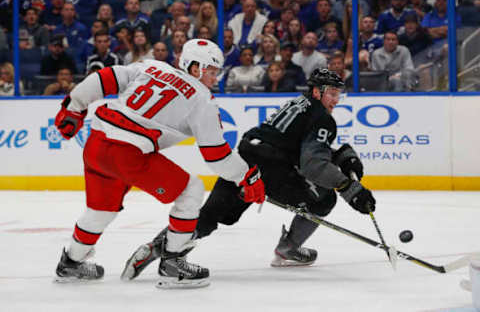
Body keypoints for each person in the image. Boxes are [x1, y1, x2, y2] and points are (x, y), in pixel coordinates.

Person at [52, 39, 265, 288]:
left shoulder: (152, 67)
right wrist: (246, 176)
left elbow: (105, 77)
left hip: (96, 145)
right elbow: (217, 156)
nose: (215, 78)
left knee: (101, 210)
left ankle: (71, 263)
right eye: (211, 70)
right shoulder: (202, 99)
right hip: (129, 154)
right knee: (191, 191)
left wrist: (74, 106)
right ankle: (173, 263)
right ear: (195, 68)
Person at [122, 68, 376, 275]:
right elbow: (312, 165)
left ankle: (155, 247)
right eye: (331, 92)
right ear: (316, 91)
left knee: (211, 215)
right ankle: (288, 249)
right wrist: (349, 187)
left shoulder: (298, 104)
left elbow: (293, 145)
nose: (335, 99)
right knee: (325, 198)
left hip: (243, 160)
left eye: (337, 93)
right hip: (270, 170)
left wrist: (339, 155)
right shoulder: (322, 117)